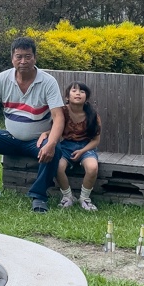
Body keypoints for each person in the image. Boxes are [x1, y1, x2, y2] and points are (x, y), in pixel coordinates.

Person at [0, 36, 65, 212]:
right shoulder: (3, 79)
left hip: (37, 141)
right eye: (18, 56)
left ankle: (39, 197)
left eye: (28, 56)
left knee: (54, 150)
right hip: (10, 137)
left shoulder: (47, 82)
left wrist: (51, 143)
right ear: (12, 58)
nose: (23, 61)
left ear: (35, 58)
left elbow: (58, 116)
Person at [43, 81, 102, 212]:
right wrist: (45, 134)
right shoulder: (61, 112)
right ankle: (67, 196)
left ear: (86, 97)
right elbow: (54, 131)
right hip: (65, 146)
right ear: (67, 97)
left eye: (82, 91)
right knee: (57, 166)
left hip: (86, 146)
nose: (78, 94)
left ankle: (85, 198)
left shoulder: (93, 115)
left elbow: (96, 140)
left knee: (92, 167)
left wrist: (82, 151)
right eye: (74, 91)